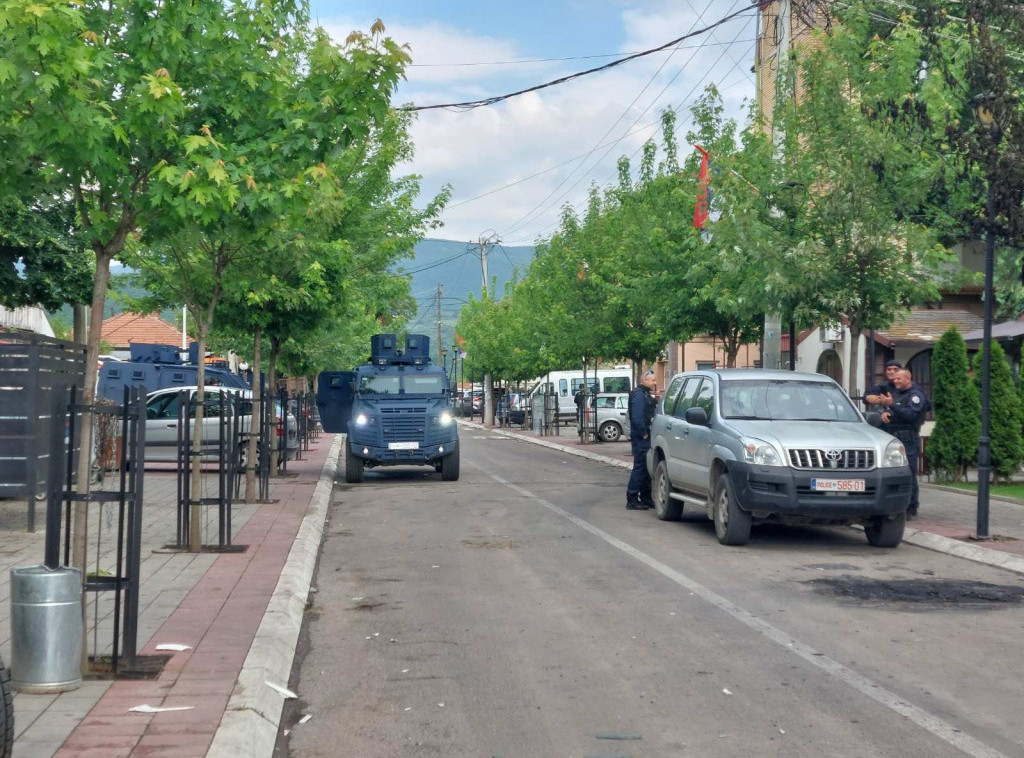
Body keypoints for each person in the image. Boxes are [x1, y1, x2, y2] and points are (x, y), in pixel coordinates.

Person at [881, 368, 930, 519]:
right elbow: (892, 411)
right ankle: (896, 506)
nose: (895, 381)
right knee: (893, 473)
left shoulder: (916, 396)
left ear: (908, 379)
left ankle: (910, 507)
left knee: (908, 472)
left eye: (898, 379)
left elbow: (909, 415)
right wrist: (883, 413)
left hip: (907, 439)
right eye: (894, 379)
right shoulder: (897, 394)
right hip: (892, 438)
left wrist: (892, 405)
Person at [626, 370, 658, 510]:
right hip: (641, 437)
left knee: (646, 468)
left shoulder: (645, 394)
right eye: (652, 380)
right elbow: (637, 418)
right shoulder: (639, 395)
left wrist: (655, 400)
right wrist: (644, 434)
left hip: (645, 436)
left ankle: (645, 498)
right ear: (643, 380)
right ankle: (632, 499)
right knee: (640, 467)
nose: (654, 383)